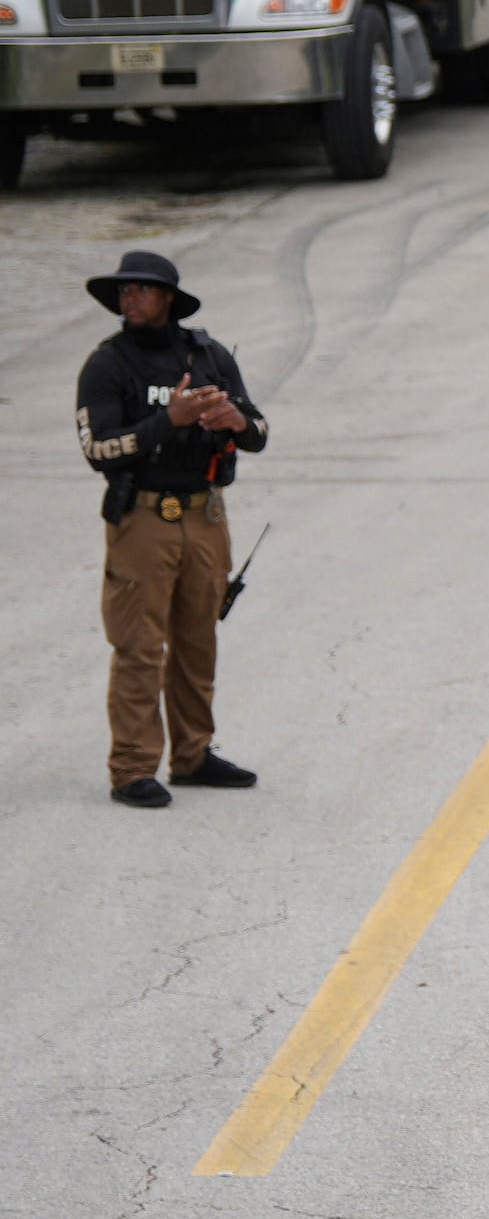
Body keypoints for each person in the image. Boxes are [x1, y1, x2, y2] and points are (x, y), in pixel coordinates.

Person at [74, 251, 267, 808]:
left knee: (197, 639)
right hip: (143, 521)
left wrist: (237, 422)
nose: (129, 298)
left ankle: (193, 755)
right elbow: (98, 449)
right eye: (124, 291)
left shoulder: (208, 355)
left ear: (168, 299)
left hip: (207, 516)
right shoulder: (107, 365)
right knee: (138, 645)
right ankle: (132, 768)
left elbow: (259, 427)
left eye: (142, 289)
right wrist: (170, 421)